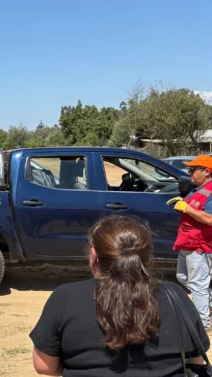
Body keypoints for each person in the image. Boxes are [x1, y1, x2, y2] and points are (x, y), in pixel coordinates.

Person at [31, 215, 210, 376]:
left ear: (94, 255)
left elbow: (44, 366)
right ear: (146, 256)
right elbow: (196, 360)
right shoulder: (174, 295)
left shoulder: (65, 297)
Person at [167, 154, 212, 330]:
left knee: (197, 284)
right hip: (187, 242)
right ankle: (205, 301)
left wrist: (187, 208)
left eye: (193, 169)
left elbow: (210, 219)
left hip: (200, 245)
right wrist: (183, 202)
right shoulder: (197, 189)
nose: (189, 172)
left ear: (206, 171)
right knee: (182, 277)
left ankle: (204, 324)